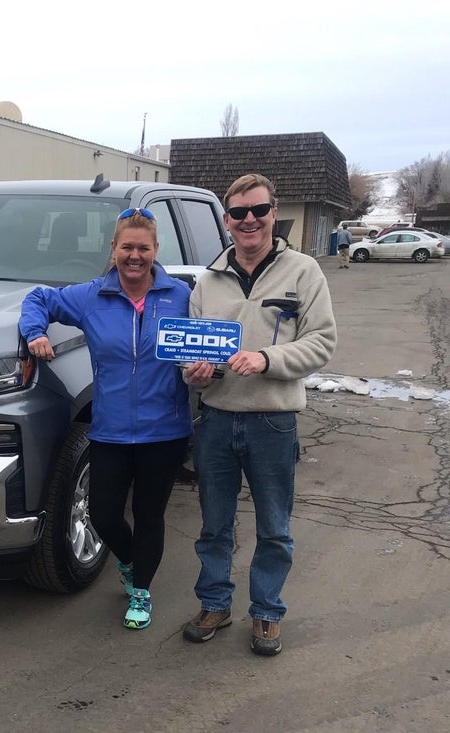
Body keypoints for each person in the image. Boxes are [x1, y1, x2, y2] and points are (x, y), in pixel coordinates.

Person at [180, 174, 337, 655]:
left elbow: (322, 342)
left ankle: (267, 612)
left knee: (274, 524)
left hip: (272, 421)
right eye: (239, 213)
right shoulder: (208, 281)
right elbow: (190, 353)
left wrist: (268, 360)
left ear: (274, 214)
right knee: (214, 524)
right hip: (217, 419)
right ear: (227, 220)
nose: (249, 220)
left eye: (259, 210)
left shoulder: (304, 272)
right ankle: (215, 603)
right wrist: (197, 373)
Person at [19, 208, 194, 630]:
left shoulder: (182, 296)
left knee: (151, 515)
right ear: (113, 249)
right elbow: (37, 298)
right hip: (111, 429)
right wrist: (35, 333)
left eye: (144, 248)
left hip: (164, 431)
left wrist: (207, 364)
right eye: (127, 247)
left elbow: (215, 332)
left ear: (156, 251)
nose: (135, 256)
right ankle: (132, 560)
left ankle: (141, 592)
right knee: (102, 513)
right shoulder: (91, 296)